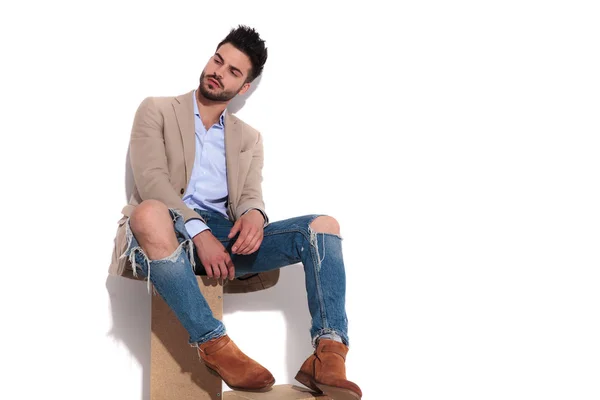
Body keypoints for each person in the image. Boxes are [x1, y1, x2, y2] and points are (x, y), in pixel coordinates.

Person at [108, 25, 362, 400]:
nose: (218, 71)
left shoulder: (249, 137)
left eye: (233, 71)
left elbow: (249, 195)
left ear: (244, 87)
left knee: (325, 225)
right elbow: (152, 181)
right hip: (165, 229)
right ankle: (215, 345)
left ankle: (328, 353)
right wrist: (197, 230)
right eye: (217, 60)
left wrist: (255, 216)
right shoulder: (157, 109)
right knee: (147, 212)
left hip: (225, 238)